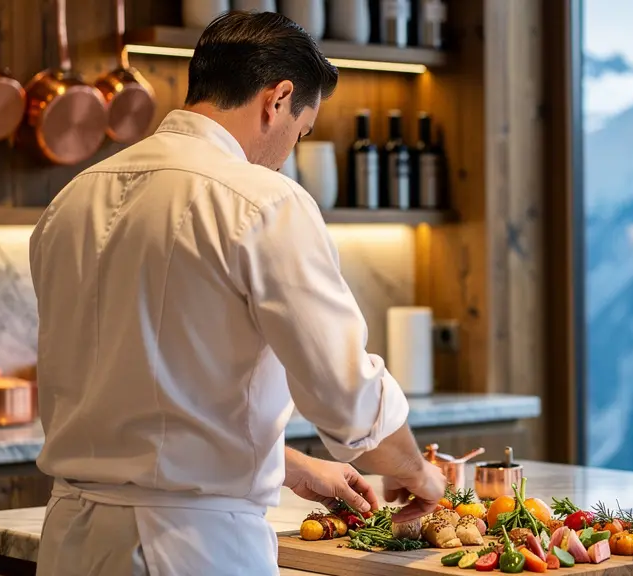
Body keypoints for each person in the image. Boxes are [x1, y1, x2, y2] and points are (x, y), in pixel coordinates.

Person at [29, 10, 446, 576]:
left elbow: (145, 404)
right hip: (189, 549)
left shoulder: (73, 199)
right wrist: (417, 472)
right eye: (300, 133)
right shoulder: (263, 201)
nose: (289, 153)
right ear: (278, 99)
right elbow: (346, 396)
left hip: (69, 543)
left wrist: (290, 465)